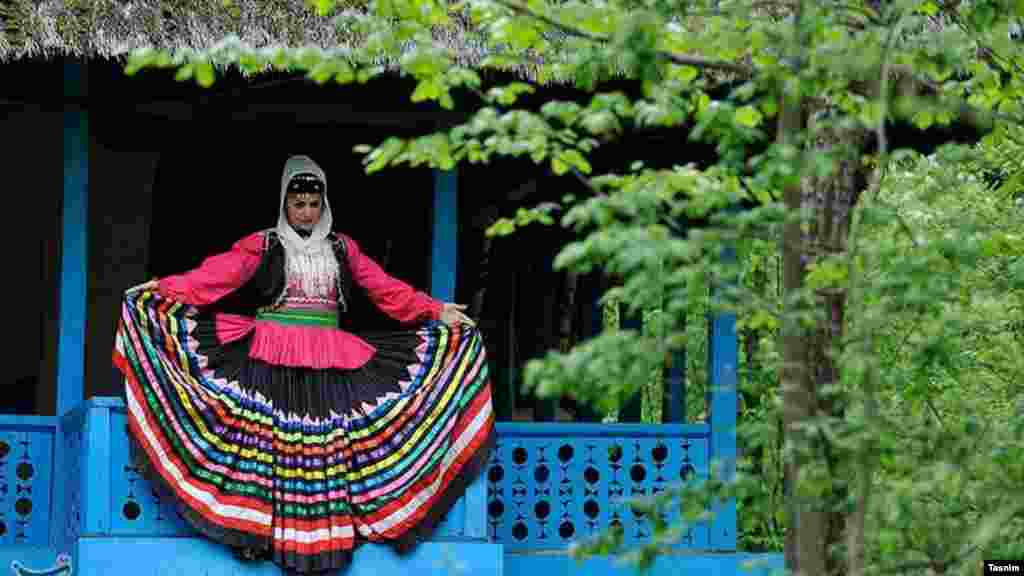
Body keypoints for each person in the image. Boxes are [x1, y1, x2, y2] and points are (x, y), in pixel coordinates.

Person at [114, 155, 494, 574]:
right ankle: (258, 532)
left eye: (314, 204)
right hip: (269, 356)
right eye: (299, 204)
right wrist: (166, 288)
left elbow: (385, 289)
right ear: (285, 203)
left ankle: (328, 534)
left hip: (329, 359)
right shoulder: (263, 244)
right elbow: (213, 278)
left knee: (328, 448)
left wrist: (435, 310)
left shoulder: (343, 249)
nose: (307, 212)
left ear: (323, 204)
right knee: (266, 447)